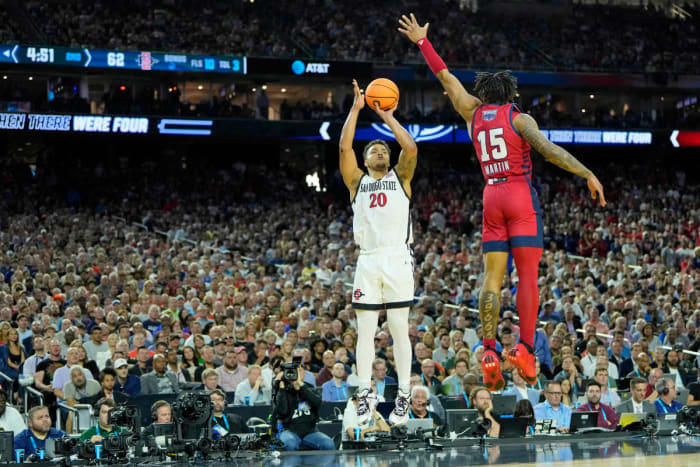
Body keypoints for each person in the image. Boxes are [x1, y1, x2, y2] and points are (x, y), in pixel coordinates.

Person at [399, 13, 605, 391]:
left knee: (491, 278)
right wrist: (586, 172)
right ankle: (525, 348)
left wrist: (422, 42)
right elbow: (549, 151)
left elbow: (445, 77)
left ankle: (490, 349)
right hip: (519, 193)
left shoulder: (472, 112)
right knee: (527, 276)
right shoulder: (520, 118)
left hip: (490, 194)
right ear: (511, 95)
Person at [339, 78, 418, 424]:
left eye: (384, 149)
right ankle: (364, 391)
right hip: (368, 259)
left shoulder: (401, 176)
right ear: (365, 159)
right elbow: (344, 150)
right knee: (366, 330)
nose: (380, 151)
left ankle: (402, 393)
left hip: (398, 256)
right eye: (373, 149)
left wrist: (387, 117)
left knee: (400, 327)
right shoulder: (357, 182)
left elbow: (411, 148)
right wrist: (356, 111)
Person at [272, 363, 334, 451]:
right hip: (290, 430)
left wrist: (300, 385)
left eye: (298, 371)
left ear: (304, 373)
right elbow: (283, 411)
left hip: (310, 431)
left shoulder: (309, 388)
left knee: (328, 444)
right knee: (290, 443)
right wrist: (281, 386)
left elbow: (316, 402)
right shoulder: (283, 390)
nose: (294, 374)